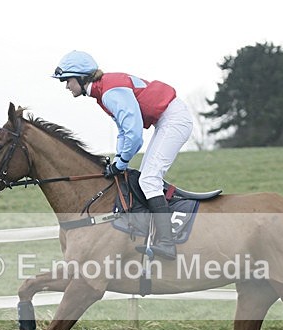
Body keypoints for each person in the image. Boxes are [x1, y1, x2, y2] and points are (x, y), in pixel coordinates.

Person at [52, 50, 193, 260]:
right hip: (166, 119)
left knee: (149, 179)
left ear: (81, 77)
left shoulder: (109, 91)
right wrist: (119, 159)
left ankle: (166, 242)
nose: (66, 86)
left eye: (67, 80)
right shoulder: (103, 91)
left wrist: (122, 162)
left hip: (173, 120)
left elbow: (135, 135)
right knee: (147, 178)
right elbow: (123, 130)